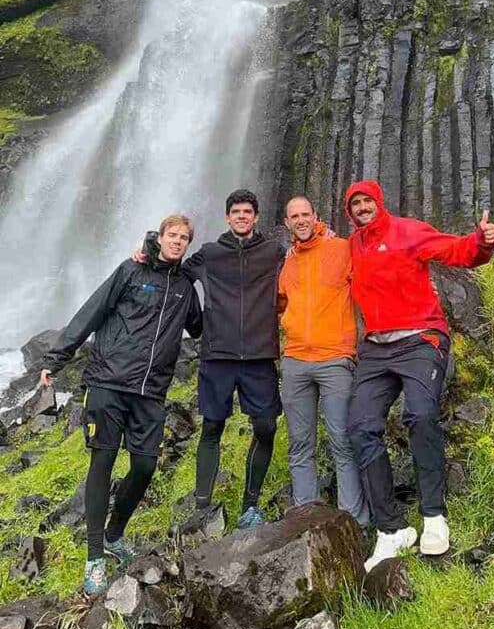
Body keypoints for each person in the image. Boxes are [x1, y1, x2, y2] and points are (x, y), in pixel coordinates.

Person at [40, 214, 202, 596]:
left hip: (151, 392)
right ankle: (94, 557)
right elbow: (92, 310)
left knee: (145, 466)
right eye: (172, 235)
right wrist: (56, 358)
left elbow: (200, 327)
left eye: (184, 238)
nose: (177, 242)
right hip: (108, 383)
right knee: (103, 461)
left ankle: (114, 535)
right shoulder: (131, 270)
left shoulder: (185, 287)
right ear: (159, 237)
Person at [344, 180, 494, 569]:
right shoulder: (352, 246)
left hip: (420, 339)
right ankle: (391, 529)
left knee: (420, 413)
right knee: (360, 427)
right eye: (355, 203)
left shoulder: (408, 231)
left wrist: (482, 242)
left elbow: (456, 251)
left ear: (379, 202)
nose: (362, 207)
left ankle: (433, 515)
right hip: (377, 347)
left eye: (367, 201)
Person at [139, 189, 286, 528]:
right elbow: (171, 268)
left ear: (256, 216)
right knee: (212, 426)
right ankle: (202, 505)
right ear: (227, 217)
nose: (242, 216)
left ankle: (251, 505)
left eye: (247, 211)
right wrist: (147, 249)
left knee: (265, 426)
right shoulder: (209, 254)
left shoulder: (273, 252)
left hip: (260, 355)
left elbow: (306, 258)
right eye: (236, 211)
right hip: (217, 355)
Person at [278, 196, 370, 527]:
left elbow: (371, 276)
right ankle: (307, 518)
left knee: (342, 439)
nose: (301, 220)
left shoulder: (341, 248)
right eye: (294, 216)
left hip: (335, 359)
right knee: (300, 444)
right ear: (286, 222)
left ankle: (353, 521)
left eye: (305, 214)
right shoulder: (288, 262)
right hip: (295, 361)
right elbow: (280, 303)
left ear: (316, 217)